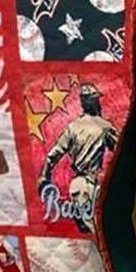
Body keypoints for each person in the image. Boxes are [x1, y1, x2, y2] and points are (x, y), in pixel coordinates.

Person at [37, 82, 118, 233]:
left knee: (89, 231)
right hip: (91, 186)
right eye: (96, 100)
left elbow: (52, 156)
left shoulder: (73, 127)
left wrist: (44, 177)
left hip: (78, 185)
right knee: (96, 232)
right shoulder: (104, 126)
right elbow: (121, 150)